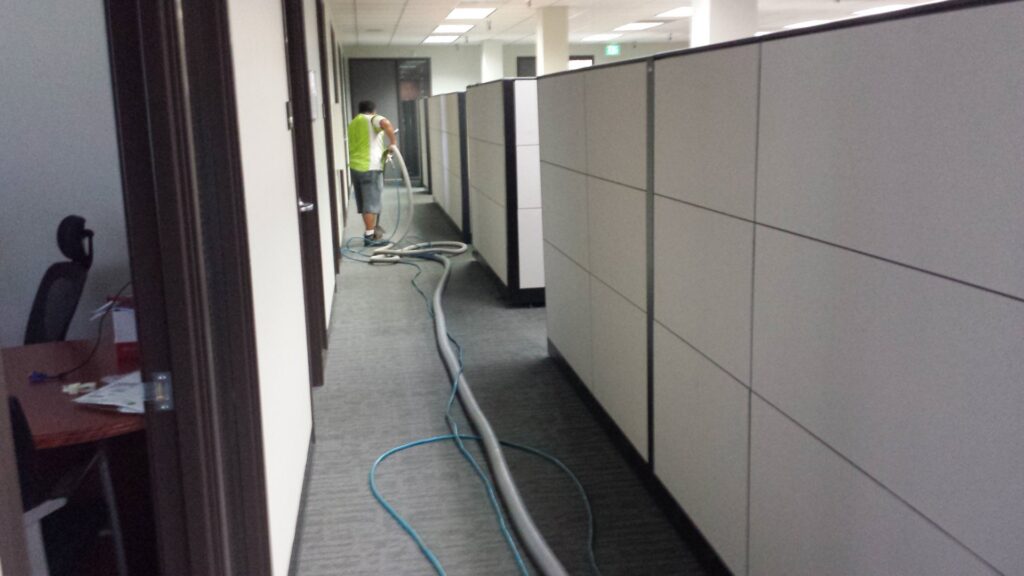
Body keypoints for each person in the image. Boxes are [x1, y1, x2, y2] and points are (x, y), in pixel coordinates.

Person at [347, 100, 398, 245]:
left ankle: (371, 232)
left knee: (365, 203)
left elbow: (366, 142)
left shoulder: (353, 122)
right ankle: (369, 237)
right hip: (370, 167)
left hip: (356, 167)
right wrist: (393, 143)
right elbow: (385, 123)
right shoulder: (372, 119)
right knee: (371, 204)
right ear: (373, 110)